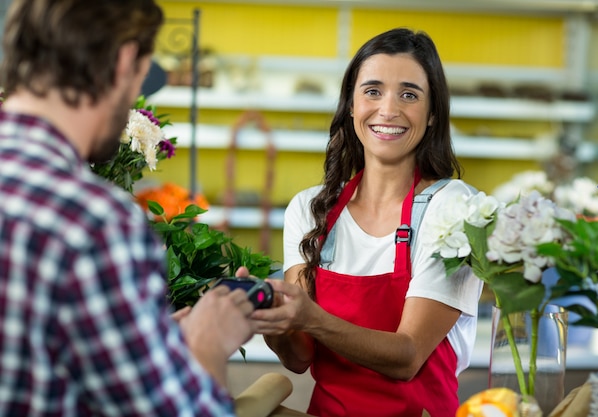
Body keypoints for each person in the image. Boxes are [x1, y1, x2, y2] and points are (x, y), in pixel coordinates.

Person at [0, 1, 254, 415]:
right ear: (123, 61)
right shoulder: (94, 224)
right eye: (141, 76)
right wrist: (209, 341)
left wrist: (142, 342)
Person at [252, 28, 483, 417]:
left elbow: (407, 356)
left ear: (431, 116)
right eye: (372, 91)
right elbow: (300, 357)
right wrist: (271, 318)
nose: (388, 110)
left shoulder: (455, 210)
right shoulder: (310, 209)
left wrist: (311, 316)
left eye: (409, 95)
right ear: (351, 106)